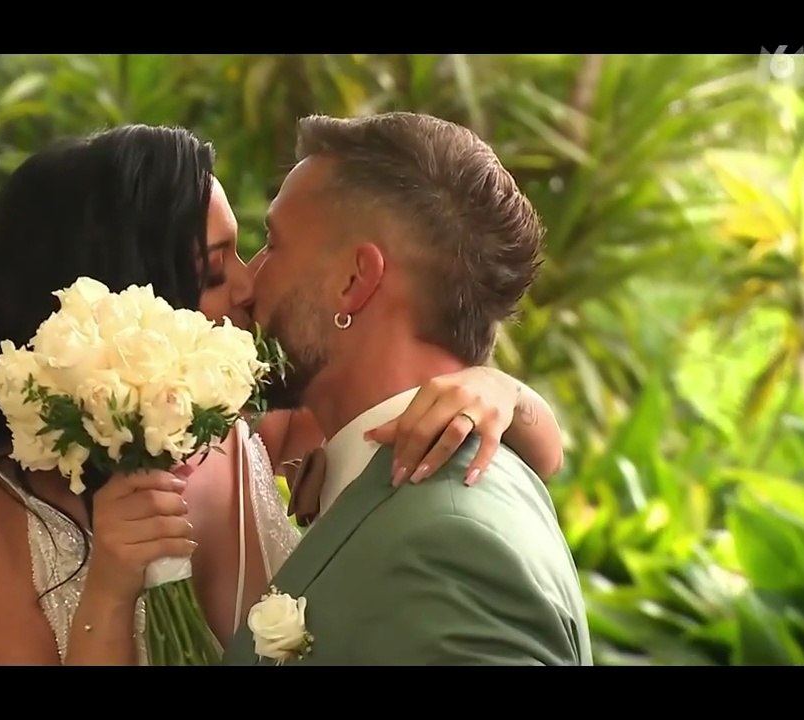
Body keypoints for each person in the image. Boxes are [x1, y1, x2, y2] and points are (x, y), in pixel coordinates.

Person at [0, 123, 567, 666]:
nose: (247, 287)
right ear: (116, 299)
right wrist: (110, 586)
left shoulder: (237, 432)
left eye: (252, 250)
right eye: (214, 269)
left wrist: (495, 388)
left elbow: (506, 450)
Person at [222, 112, 591, 666]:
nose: (247, 281)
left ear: (353, 281)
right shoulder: (373, 486)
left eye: (272, 244)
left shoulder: (450, 542)